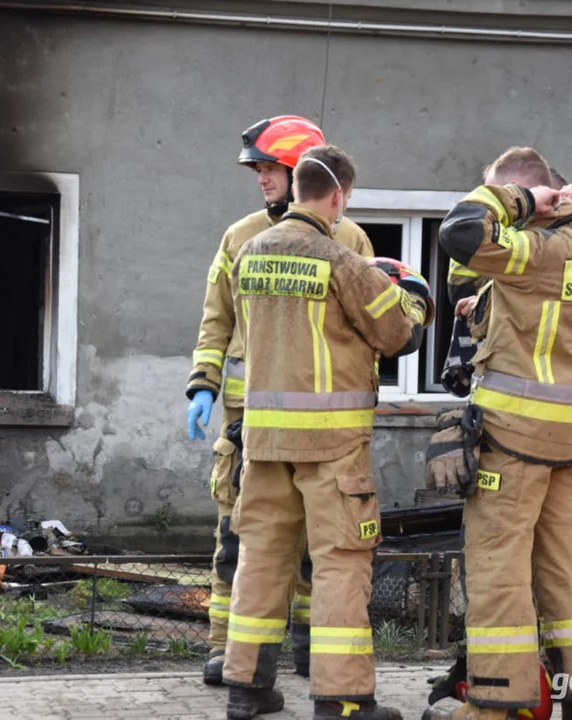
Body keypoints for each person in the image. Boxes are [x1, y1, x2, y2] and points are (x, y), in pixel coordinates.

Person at [222, 144, 431, 720]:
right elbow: (395, 334)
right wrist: (412, 300)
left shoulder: (250, 253)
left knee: (261, 560)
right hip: (332, 447)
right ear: (339, 196)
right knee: (340, 563)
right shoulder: (340, 260)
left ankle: (248, 689)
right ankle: (342, 700)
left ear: (295, 189)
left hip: (263, 443)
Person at [424, 147, 572, 720]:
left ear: (526, 193)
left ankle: (496, 704)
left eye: (509, 197)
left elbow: (461, 231)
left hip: (514, 443)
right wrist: (485, 306)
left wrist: (514, 199)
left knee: (498, 566)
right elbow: (549, 310)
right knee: (569, 570)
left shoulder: (534, 249)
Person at [186, 115, 375, 686]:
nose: (261, 179)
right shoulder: (239, 235)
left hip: (324, 423)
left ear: (298, 172)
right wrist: (203, 384)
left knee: (317, 552)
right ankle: (228, 652)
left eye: (269, 168)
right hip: (248, 421)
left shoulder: (349, 238)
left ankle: (307, 653)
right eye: (259, 169)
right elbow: (216, 316)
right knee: (239, 541)